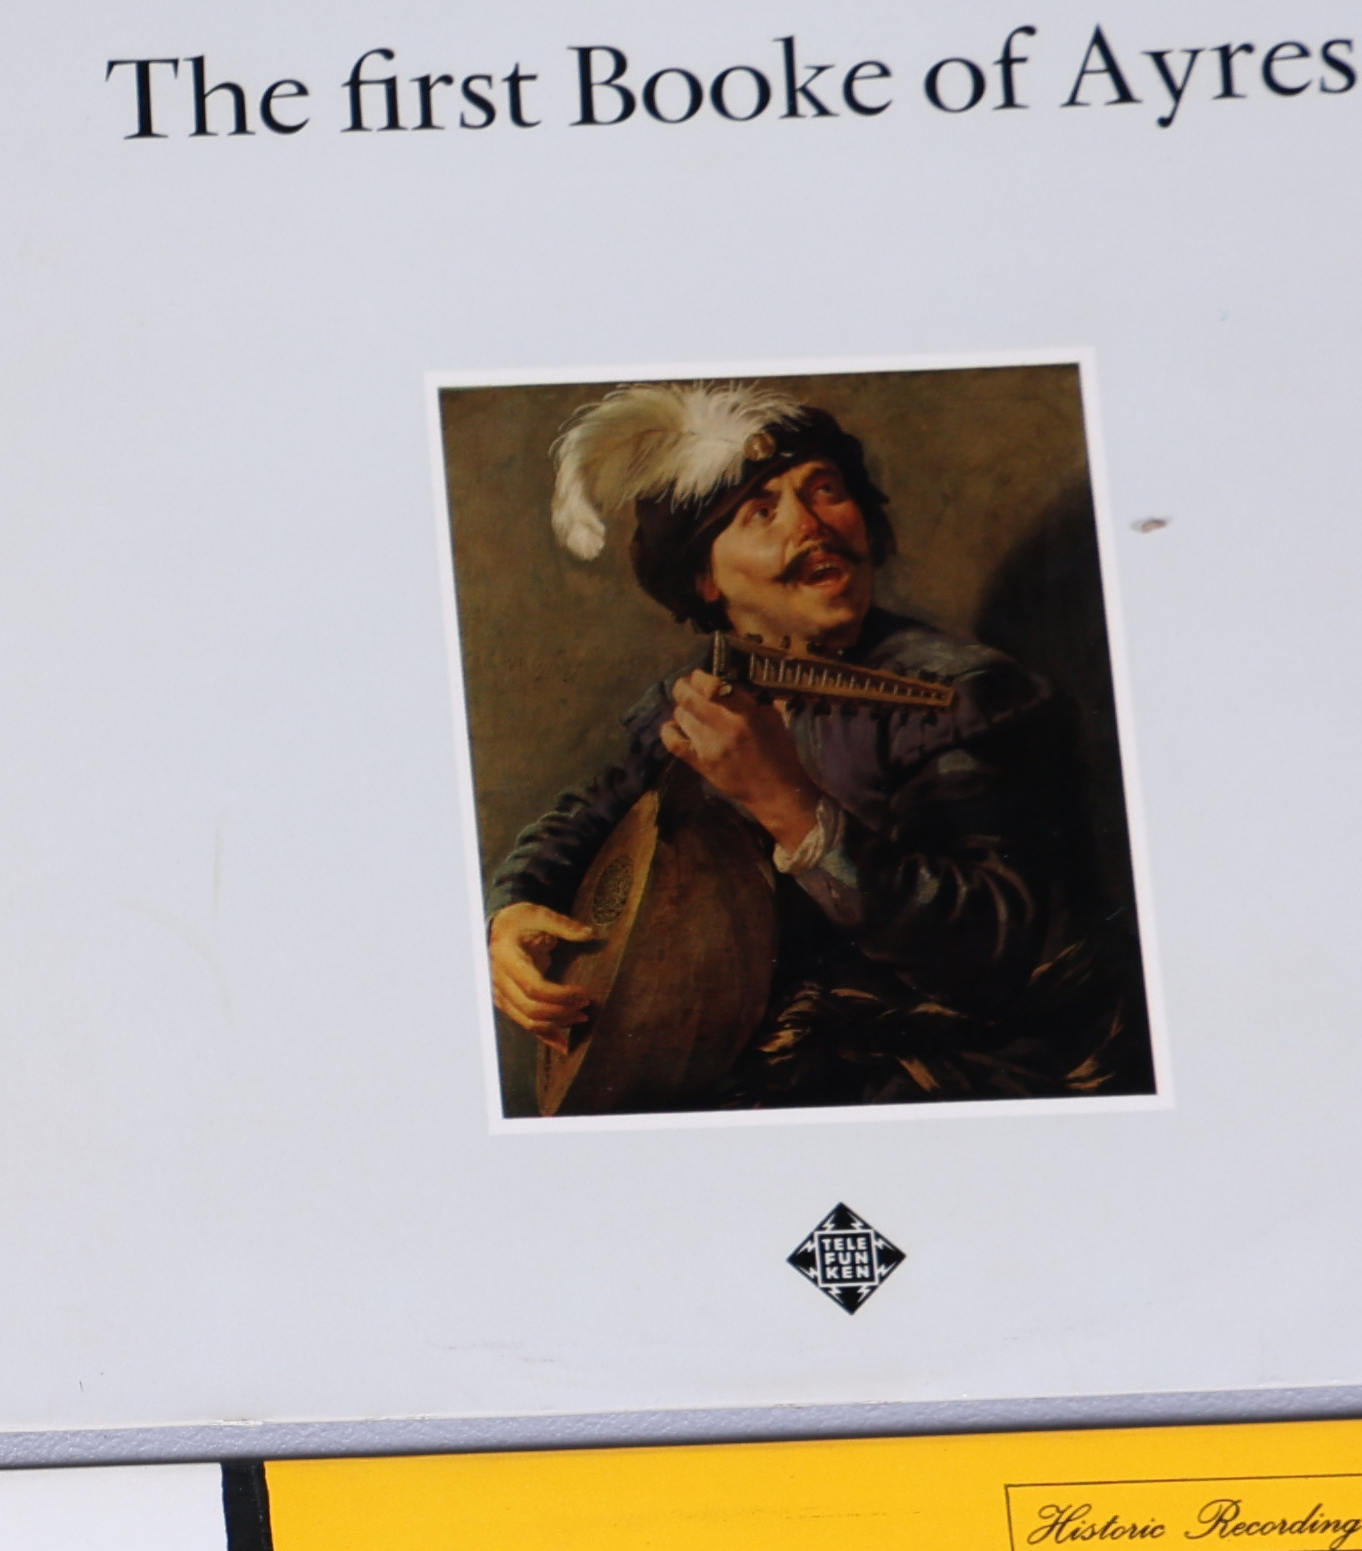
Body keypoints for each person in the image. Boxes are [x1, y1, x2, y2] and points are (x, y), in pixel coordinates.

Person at [480, 384, 1134, 1111]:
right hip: (754, 1067)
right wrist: (513, 912)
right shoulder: (696, 701)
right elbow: (590, 816)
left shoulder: (967, 698)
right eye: (762, 511)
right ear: (705, 578)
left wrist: (787, 804)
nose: (811, 523)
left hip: (945, 1080)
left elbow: (994, 947)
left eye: (825, 490)